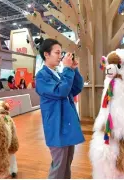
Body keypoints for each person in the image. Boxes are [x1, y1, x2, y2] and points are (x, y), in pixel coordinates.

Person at [35, 38, 84, 179]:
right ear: (46, 54)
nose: (60, 56)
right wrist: (68, 70)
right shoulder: (41, 77)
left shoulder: (58, 74)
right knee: (59, 165)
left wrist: (74, 70)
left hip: (66, 125)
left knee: (67, 163)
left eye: (61, 53)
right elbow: (60, 92)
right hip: (56, 126)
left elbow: (75, 88)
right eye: (57, 53)